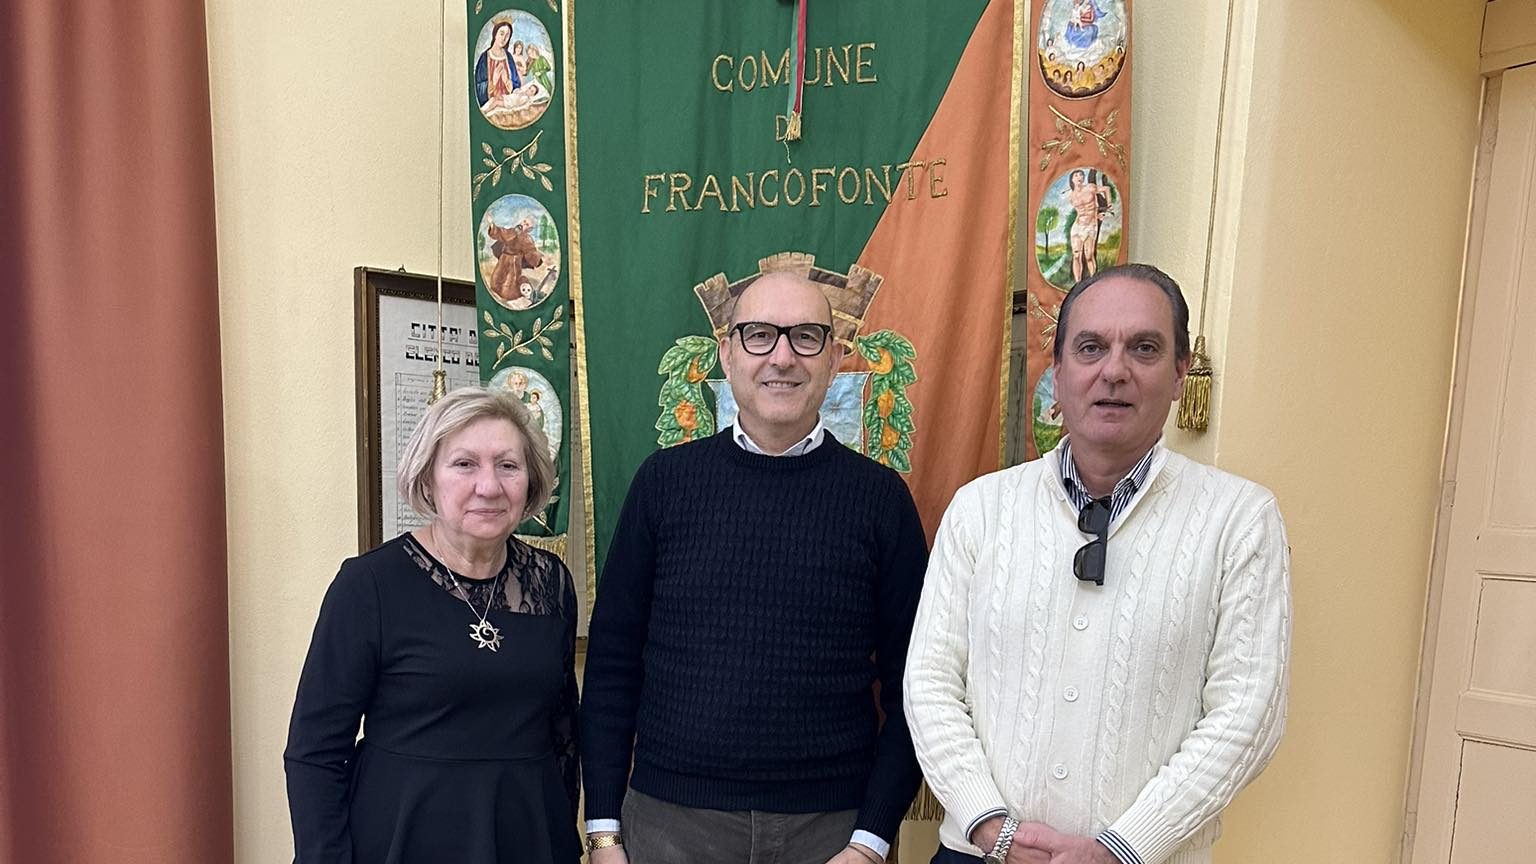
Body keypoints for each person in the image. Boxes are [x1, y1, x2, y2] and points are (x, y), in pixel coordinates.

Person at [905, 264, 1291, 864]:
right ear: (1058, 373)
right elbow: (930, 682)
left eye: (1144, 348)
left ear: (1180, 373)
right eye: (1091, 348)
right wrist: (990, 825)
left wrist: (1122, 848)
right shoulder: (981, 508)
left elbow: (1248, 712)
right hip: (981, 852)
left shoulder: (1240, 519)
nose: (1115, 370)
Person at [580, 270, 928, 864]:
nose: (782, 358)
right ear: (727, 353)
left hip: (832, 832)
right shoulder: (663, 485)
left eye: (806, 337)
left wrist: (870, 842)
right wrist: (605, 833)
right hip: (671, 827)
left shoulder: (881, 500)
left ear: (835, 358)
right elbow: (613, 664)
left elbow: (914, 687)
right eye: (759, 334)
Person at [285, 386, 580, 864]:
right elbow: (314, 751)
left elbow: (563, 731)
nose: (489, 486)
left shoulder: (551, 582)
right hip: (403, 835)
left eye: (508, 466)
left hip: (527, 833)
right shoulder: (368, 585)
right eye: (464, 464)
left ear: (531, 482)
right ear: (427, 478)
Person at [1063, 170, 1109, 283]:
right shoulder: (1071, 196)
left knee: (1089, 255)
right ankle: (1077, 284)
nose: (1079, 177)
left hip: (1090, 225)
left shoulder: (1090, 188)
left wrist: (1108, 205)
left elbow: (1106, 189)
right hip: (1078, 226)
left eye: (1081, 175)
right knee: (1076, 255)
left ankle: (1093, 282)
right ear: (1072, 180)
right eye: (1076, 175)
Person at [475, 22, 521, 110]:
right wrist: (493, 81)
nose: (504, 38)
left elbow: (517, 84)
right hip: (491, 105)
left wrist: (508, 82)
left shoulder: (508, 57)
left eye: (507, 35)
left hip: (506, 104)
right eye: (501, 33)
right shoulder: (484, 58)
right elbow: (478, 87)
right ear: (495, 34)